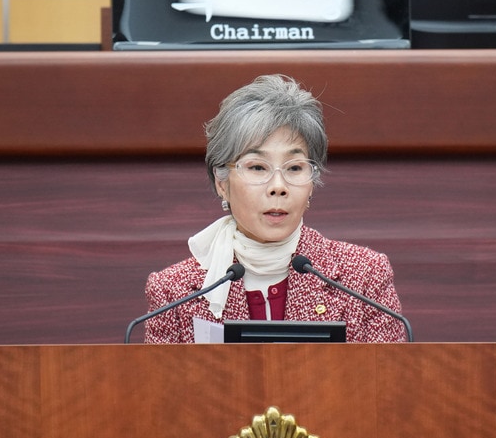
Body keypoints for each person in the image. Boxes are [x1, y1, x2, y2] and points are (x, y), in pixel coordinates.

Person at [140, 74, 406, 344]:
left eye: (294, 168)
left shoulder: (364, 277)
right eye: (257, 167)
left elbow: (389, 383)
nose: (278, 187)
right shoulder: (174, 293)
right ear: (222, 183)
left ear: (311, 183)